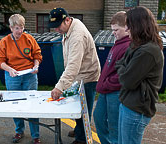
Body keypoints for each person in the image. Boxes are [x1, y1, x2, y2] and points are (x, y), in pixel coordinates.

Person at [48, 7, 101, 144]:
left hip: (87, 76)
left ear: (67, 20)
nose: (56, 30)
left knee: (84, 109)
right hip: (79, 75)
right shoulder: (69, 27)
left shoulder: (77, 36)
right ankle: (80, 129)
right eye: (54, 27)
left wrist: (59, 87)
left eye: (58, 26)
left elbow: (73, 65)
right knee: (78, 105)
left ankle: (82, 138)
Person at [115, 6, 164, 144]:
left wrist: (124, 68)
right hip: (128, 104)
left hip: (136, 110)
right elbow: (119, 63)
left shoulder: (148, 51)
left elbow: (127, 81)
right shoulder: (136, 45)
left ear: (138, 26)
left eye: (129, 26)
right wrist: (124, 68)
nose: (126, 29)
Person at [0, 14, 42, 144]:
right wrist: (9, 69)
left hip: (30, 76)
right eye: (16, 28)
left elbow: (37, 54)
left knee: (32, 104)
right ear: (10, 28)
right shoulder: (4, 42)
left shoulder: (29, 39)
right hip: (13, 76)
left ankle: (35, 135)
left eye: (21, 28)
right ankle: (19, 131)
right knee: (15, 104)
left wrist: (36, 65)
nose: (19, 31)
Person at [93, 11, 130, 144]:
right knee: (98, 118)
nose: (113, 33)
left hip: (115, 92)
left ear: (127, 27)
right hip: (105, 91)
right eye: (112, 30)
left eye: (116, 30)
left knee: (114, 127)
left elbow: (123, 75)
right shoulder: (117, 43)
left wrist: (106, 83)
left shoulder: (128, 46)